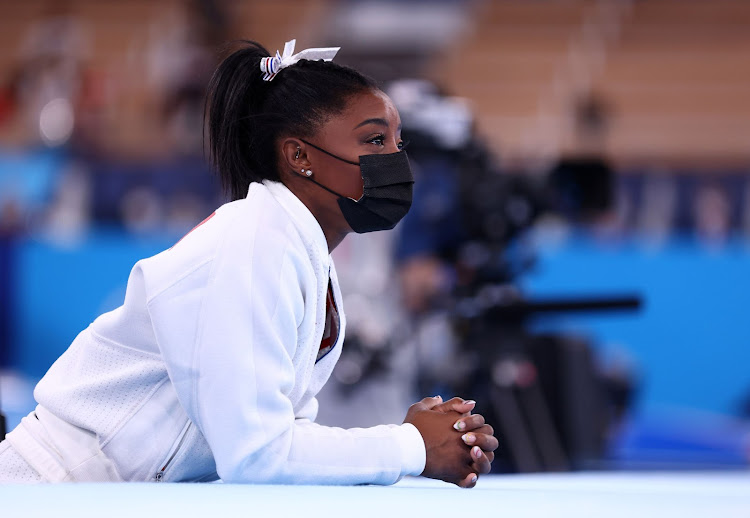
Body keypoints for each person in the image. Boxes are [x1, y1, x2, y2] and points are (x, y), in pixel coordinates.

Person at [0, 40, 497, 486]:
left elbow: (281, 437)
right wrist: (411, 446)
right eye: (373, 141)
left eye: (397, 142)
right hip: (46, 488)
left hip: (109, 493)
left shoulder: (302, 253)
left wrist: (426, 439)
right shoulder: (256, 244)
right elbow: (257, 455)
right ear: (300, 156)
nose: (397, 159)